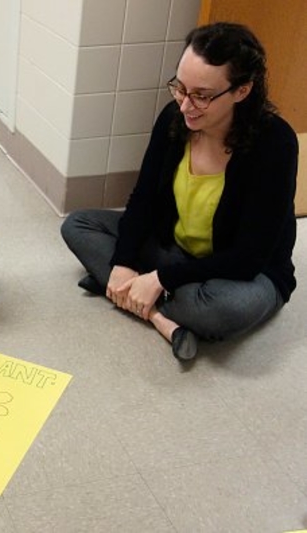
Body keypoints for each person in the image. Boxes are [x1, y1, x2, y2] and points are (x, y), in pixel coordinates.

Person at [60, 22, 298, 362]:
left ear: (242, 91)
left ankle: (128, 291)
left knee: (222, 310)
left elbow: (249, 257)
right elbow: (142, 199)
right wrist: (125, 262)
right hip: (175, 250)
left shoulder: (275, 143)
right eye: (180, 88)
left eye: (201, 95)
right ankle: (159, 316)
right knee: (78, 225)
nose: (186, 105)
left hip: (239, 272)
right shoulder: (175, 118)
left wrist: (160, 277)